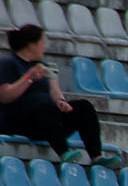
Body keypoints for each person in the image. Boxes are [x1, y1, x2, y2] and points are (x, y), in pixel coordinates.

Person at [0, 25, 116, 168]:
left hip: (47, 121)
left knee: (84, 107)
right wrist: (28, 78)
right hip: (19, 121)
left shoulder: (44, 66)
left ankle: (96, 156)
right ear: (32, 45)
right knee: (43, 105)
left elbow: (55, 90)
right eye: (42, 43)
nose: (44, 47)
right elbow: (5, 96)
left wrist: (60, 101)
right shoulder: (8, 63)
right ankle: (64, 152)